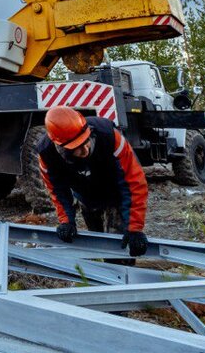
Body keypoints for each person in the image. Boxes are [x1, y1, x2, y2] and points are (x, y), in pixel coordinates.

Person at [36, 105, 149, 258]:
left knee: (117, 250)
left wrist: (135, 228)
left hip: (116, 195)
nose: (85, 149)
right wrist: (66, 221)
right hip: (86, 196)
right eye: (77, 147)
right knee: (96, 244)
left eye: (86, 141)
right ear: (60, 147)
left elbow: (134, 181)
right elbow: (57, 190)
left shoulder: (109, 136)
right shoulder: (47, 154)